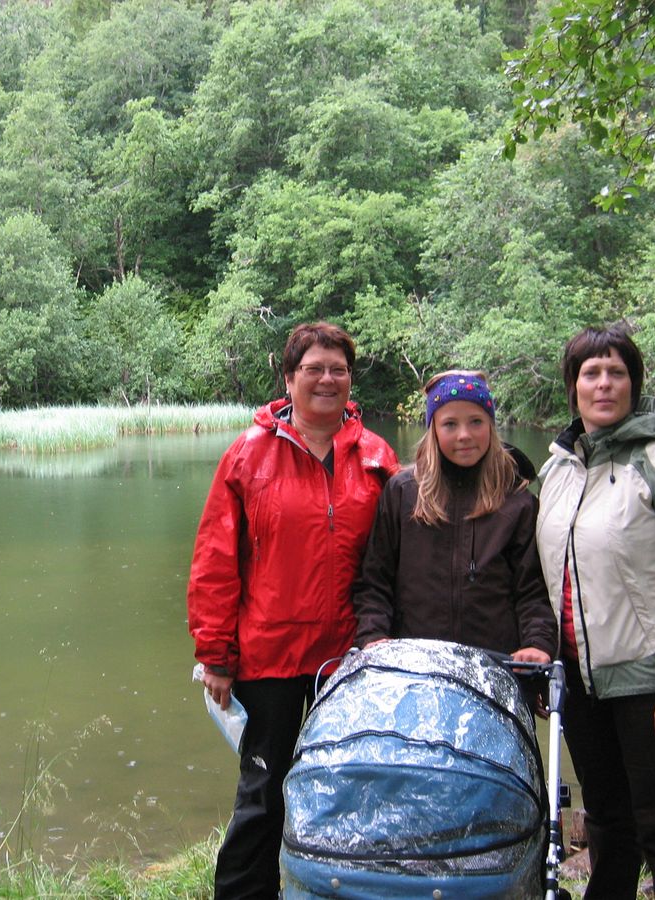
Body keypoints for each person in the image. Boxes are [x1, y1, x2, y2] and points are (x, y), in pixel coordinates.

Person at [187, 322, 399, 900]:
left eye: (338, 369)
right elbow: (213, 562)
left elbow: (401, 559)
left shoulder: (378, 459)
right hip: (269, 656)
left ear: (350, 380)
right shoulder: (248, 456)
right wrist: (215, 655)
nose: (327, 379)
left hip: (351, 660)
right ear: (289, 378)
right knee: (263, 791)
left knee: (353, 787)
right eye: (314, 369)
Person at [535, 325, 655, 900]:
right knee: (608, 824)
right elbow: (550, 580)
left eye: (616, 372)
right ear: (573, 387)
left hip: (651, 682)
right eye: (590, 373)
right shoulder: (560, 472)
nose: (603, 384)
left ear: (633, 384)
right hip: (584, 687)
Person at [352, 370, 556, 666]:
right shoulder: (402, 492)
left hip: (494, 667)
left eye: (476, 422)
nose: (464, 435)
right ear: (433, 429)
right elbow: (375, 581)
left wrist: (538, 643)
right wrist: (373, 634)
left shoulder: (518, 500)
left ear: (491, 425)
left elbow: (533, 592)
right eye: (450, 424)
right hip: (415, 666)